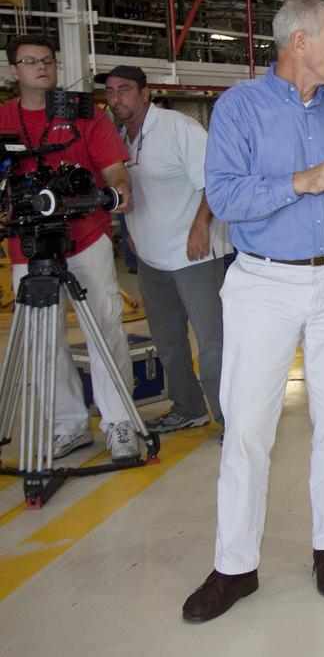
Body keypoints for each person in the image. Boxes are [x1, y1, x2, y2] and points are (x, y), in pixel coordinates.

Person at [182, 0, 324, 623]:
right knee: (247, 426)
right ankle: (235, 565)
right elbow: (223, 195)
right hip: (263, 281)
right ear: (299, 42)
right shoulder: (240, 108)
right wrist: (299, 180)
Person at [1, 36, 140, 461]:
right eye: (30, 61)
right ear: (13, 71)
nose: (40, 67)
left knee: (105, 328)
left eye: (47, 60)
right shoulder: (3, 117)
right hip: (28, 247)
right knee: (43, 343)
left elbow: (116, 172)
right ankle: (69, 424)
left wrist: (116, 193)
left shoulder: (84, 114)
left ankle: (119, 422)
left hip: (86, 238)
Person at [99, 64, 229, 435]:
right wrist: (130, 234)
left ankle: (229, 417)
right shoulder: (120, 137)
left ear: (144, 94)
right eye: (109, 91)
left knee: (211, 341)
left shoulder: (178, 128)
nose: (115, 98)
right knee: (168, 340)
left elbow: (213, 182)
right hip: (151, 258)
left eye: (123, 90)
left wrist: (200, 226)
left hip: (194, 255)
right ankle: (189, 407)